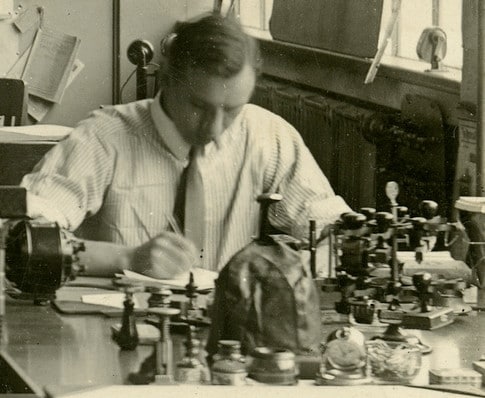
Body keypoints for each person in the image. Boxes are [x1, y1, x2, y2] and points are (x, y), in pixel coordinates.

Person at [21, 13, 351, 278]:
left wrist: (311, 262)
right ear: (165, 79)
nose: (216, 130)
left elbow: (331, 229)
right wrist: (127, 258)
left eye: (232, 110)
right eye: (199, 106)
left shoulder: (269, 136)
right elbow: (22, 236)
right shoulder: (104, 138)